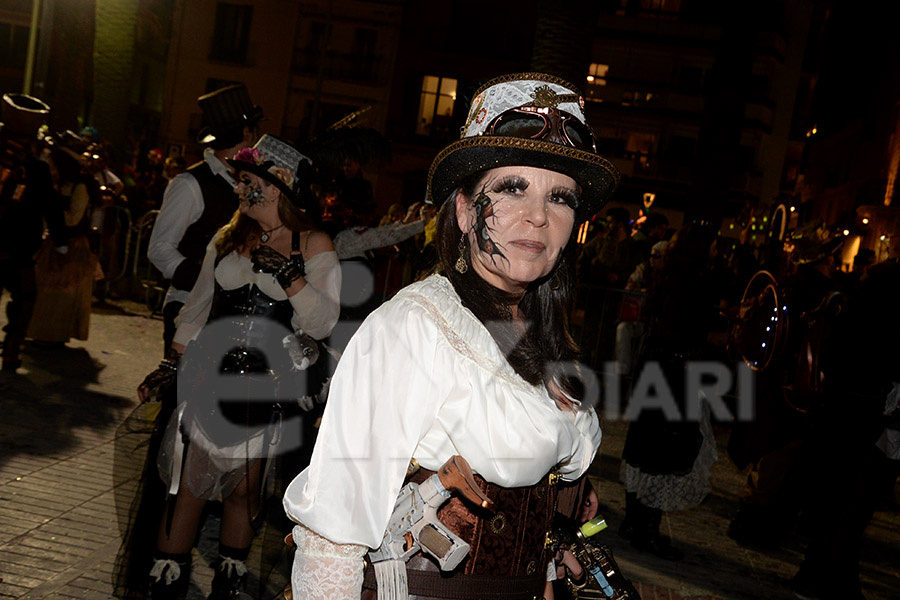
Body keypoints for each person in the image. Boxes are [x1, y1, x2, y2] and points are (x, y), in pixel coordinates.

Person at [283, 72, 619, 600]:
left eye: (560, 198)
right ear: (463, 211)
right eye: (512, 188)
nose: (538, 216)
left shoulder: (547, 336)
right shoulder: (411, 329)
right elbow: (333, 535)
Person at [131, 135, 341, 599]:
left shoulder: (313, 242)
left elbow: (322, 321)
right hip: (208, 380)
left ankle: (228, 581)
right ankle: (166, 581)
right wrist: (172, 362)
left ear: (280, 185)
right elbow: (198, 307)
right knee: (187, 484)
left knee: (245, 492)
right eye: (240, 180)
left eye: (248, 180)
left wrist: (290, 275)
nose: (239, 188)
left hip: (267, 390)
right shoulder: (228, 237)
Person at [618, 222, 721, 561]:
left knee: (649, 444)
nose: (716, 251)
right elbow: (682, 329)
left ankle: (635, 524)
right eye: (712, 245)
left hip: (657, 363)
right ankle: (645, 528)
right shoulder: (692, 281)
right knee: (663, 446)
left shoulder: (667, 273)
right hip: (673, 370)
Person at [148, 83, 264, 354]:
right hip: (189, 306)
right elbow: (159, 249)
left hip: (233, 314)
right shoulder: (190, 183)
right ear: (247, 133)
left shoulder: (255, 183)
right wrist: (204, 278)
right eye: (255, 132)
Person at [0, 93, 68, 372]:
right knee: (26, 297)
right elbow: (50, 206)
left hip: (18, 248)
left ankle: (12, 350)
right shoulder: (38, 168)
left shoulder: (37, 168)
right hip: (18, 249)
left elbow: (49, 205)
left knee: (26, 296)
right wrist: (61, 241)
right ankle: (12, 352)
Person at [27, 140, 101, 345]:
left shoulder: (80, 186)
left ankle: (54, 336)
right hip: (56, 241)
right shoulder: (62, 184)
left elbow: (73, 218)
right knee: (47, 292)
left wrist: (50, 210)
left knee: (62, 293)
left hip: (73, 244)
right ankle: (42, 333)